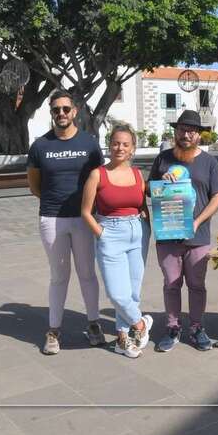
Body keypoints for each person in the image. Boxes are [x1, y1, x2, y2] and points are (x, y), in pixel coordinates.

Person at [27, 89, 105, 355]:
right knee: (59, 277)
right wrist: (54, 201)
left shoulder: (89, 143)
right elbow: (35, 185)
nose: (60, 113)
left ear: (75, 111)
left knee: (87, 274)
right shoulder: (40, 146)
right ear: (51, 113)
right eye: (55, 110)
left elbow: (99, 179)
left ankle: (94, 324)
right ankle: (54, 330)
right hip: (52, 218)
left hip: (84, 218)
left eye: (65, 109)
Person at [148, 110, 218, 352]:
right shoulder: (162, 159)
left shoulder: (209, 162)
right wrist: (162, 183)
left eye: (191, 130)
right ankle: (172, 327)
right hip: (168, 233)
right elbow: (150, 191)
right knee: (171, 283)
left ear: (199, 135)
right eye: (181, 129)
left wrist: (197, 221)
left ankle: (196, 327)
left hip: (198, 234)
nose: (186, 134)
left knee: (196, 284)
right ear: (175, 132)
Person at [81, 124, 152, 358]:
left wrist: (148, 228)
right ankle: (140, 324)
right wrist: (101, 233)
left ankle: (122, 339)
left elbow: (142, 205)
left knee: (132, 292)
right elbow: (85, 212)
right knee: (117, 293)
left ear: (132, 149)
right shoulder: (97, 174)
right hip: (109, 233)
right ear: (109, 145)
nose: (119, 147)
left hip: (137, 232)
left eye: (125, 144)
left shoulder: (137, 174)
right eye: (115, 143)